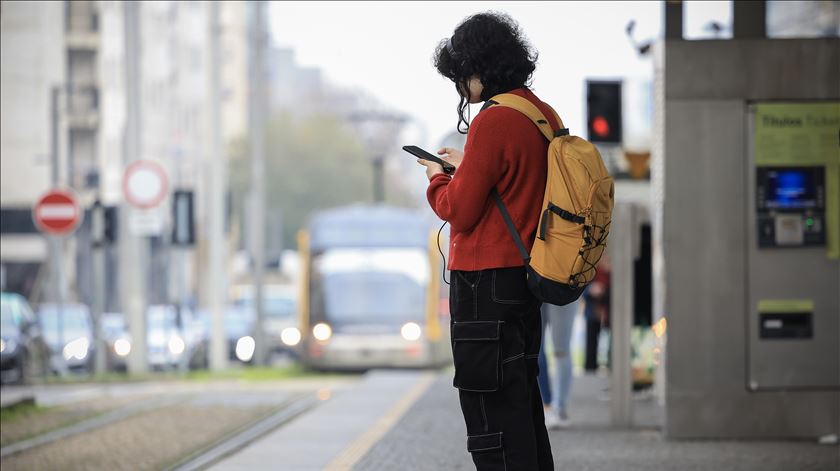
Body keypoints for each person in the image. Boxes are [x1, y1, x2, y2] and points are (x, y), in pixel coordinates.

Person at [417, 12, 557, 471]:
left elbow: (458, 209)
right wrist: (468, 163)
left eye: (461, 73)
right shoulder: (538, 113)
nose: (460, 85)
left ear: (479, 67)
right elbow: (513, 183)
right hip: (523, 278)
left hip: (484, 287)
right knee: (520, 402)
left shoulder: (494, 120)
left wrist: (438, 179)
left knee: (489, 409)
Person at [539, 299, 581, 430]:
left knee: (560, 351)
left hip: (562, 282)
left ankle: (557, 407)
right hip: (536, 284)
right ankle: (548, 406)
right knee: (535, 349)